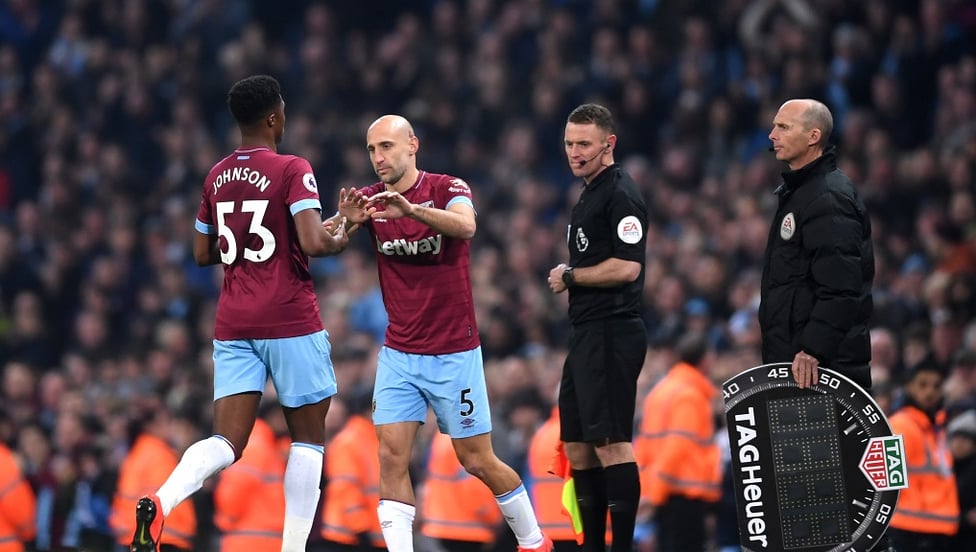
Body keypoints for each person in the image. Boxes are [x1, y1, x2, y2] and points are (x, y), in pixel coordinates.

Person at [129, 74, 355, 552]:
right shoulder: (293, 168)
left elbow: (201, 252)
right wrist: (343, 231)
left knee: (227, 442)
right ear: (274, 117)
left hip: (234, 321)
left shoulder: (216, 175)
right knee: (309, 440)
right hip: (290, 317)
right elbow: (315, 242)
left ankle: (163, 500)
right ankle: (293, 549)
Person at [341, 114, 551, 552]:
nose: (378, 158)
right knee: (391, 456)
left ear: (412, 145)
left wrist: (412, 209)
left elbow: (467, 226)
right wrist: (340, 225)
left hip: (454, 353)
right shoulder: (370, 201)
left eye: (387, 147)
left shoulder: (447, 188)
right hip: (399, 352)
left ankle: (534, 543)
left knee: (477, 460)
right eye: (372, 150)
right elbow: (326, 239)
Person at [547, 103, 648, 552]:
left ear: (609, 144)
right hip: (586, 332)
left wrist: (571, 275)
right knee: (577, 444)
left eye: (584, 143)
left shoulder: (621, 193)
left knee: (610, 442)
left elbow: (627, 268)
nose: (574, 152)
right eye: (569, 143)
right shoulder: (590, 192)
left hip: (613, 329)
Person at [761, 98, 875, 390]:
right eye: (774, 126)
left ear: (814, 136)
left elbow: (841, 286)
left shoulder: (828, 197)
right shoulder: (801, 193)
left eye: (784, 127)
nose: (773, 135)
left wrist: (814, 348)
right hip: (800, 365)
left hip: (823, 370)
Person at [634, 332, 722, 552]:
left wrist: (647, 491)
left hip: (664, 496)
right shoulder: (690, 395)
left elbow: (645, 447)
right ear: (706, 358)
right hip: (683, 496)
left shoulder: (660, 391)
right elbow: (678, 446)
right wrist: (655, 493)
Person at [887, 359, 959, 551]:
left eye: (936, 386)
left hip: (938, 526)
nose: (930, 392)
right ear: (909, 387)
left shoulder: (936, 427)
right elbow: (888, 483)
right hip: (908, 526)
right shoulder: (899, 425)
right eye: (923, 384)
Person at [213, 401, 286, 552]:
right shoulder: (256, 445)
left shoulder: (265, 445)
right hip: (252, 542)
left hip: (256, 540)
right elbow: (236, 487)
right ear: (275, 416)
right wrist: (228, 521)